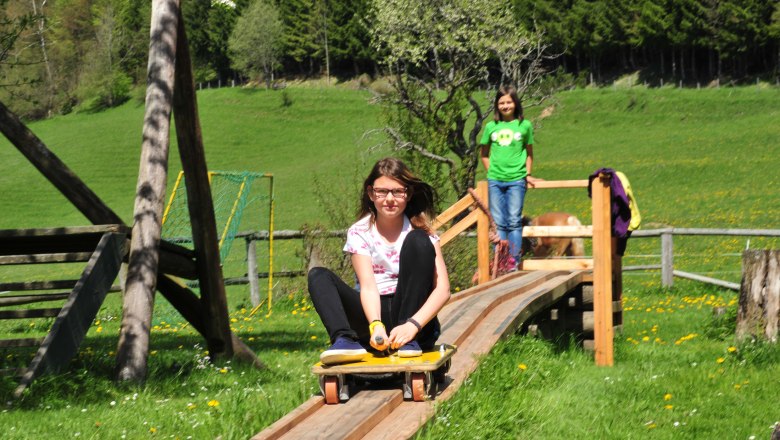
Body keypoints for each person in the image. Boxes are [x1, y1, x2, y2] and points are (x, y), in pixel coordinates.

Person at [308, 157, 451, 365]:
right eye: (382, 191)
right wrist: (375, 325)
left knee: (417, 241)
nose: (389, 199)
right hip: (375, 314)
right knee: (318, 275)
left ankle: (408, 341)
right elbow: (367, 287)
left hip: (414, 319)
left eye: (397, 191)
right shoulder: (359, 232)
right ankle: (345, 340)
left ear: (408, 194)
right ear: (370, 194)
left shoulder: (423, 233)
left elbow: (443, 290)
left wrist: (412, 325)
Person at [480, 85, 540, 268]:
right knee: (497, 222)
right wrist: (491, 170)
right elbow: (484, 153)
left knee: (514, 221)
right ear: (497, 105)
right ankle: (500, 262)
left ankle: (513, 262)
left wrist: (527, 174)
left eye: (509, 102)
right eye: (501, 102)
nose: (505, 106)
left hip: (516, 179)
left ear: (515, 103)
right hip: (495, 180)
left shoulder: (524, 125)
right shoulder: (491, 127)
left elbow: (529, 153)